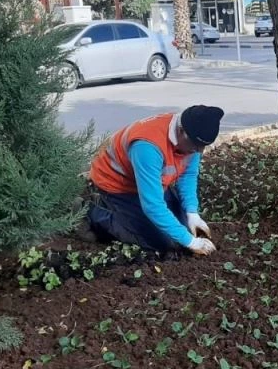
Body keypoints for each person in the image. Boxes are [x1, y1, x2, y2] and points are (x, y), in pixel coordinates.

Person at [86, 105, 224, 256]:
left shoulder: (192, 137)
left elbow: (188, 175)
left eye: (203, 146)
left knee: (183, 230)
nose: (199, 151)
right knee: (164, 242)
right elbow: (152, 205)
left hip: (149, 182)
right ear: (181, 130)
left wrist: (192, 213)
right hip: (116, 186)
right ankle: (92, 211)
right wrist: (191, 242)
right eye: (196, 146)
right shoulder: (147, 147)